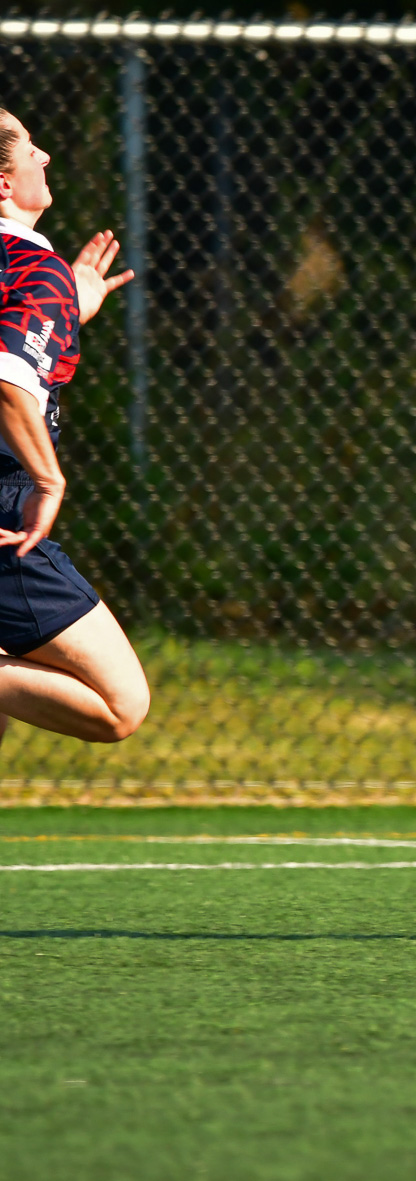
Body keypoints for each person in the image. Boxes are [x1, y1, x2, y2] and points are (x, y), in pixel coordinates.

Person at [0, 108, 149, 750]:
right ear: (3, 182)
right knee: (118, 706)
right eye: (31, 147)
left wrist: (68, 314)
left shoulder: (38, 278)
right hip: (7, 517)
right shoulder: (36, 271)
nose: (46, 157)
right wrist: (48, 477)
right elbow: (7, 379)